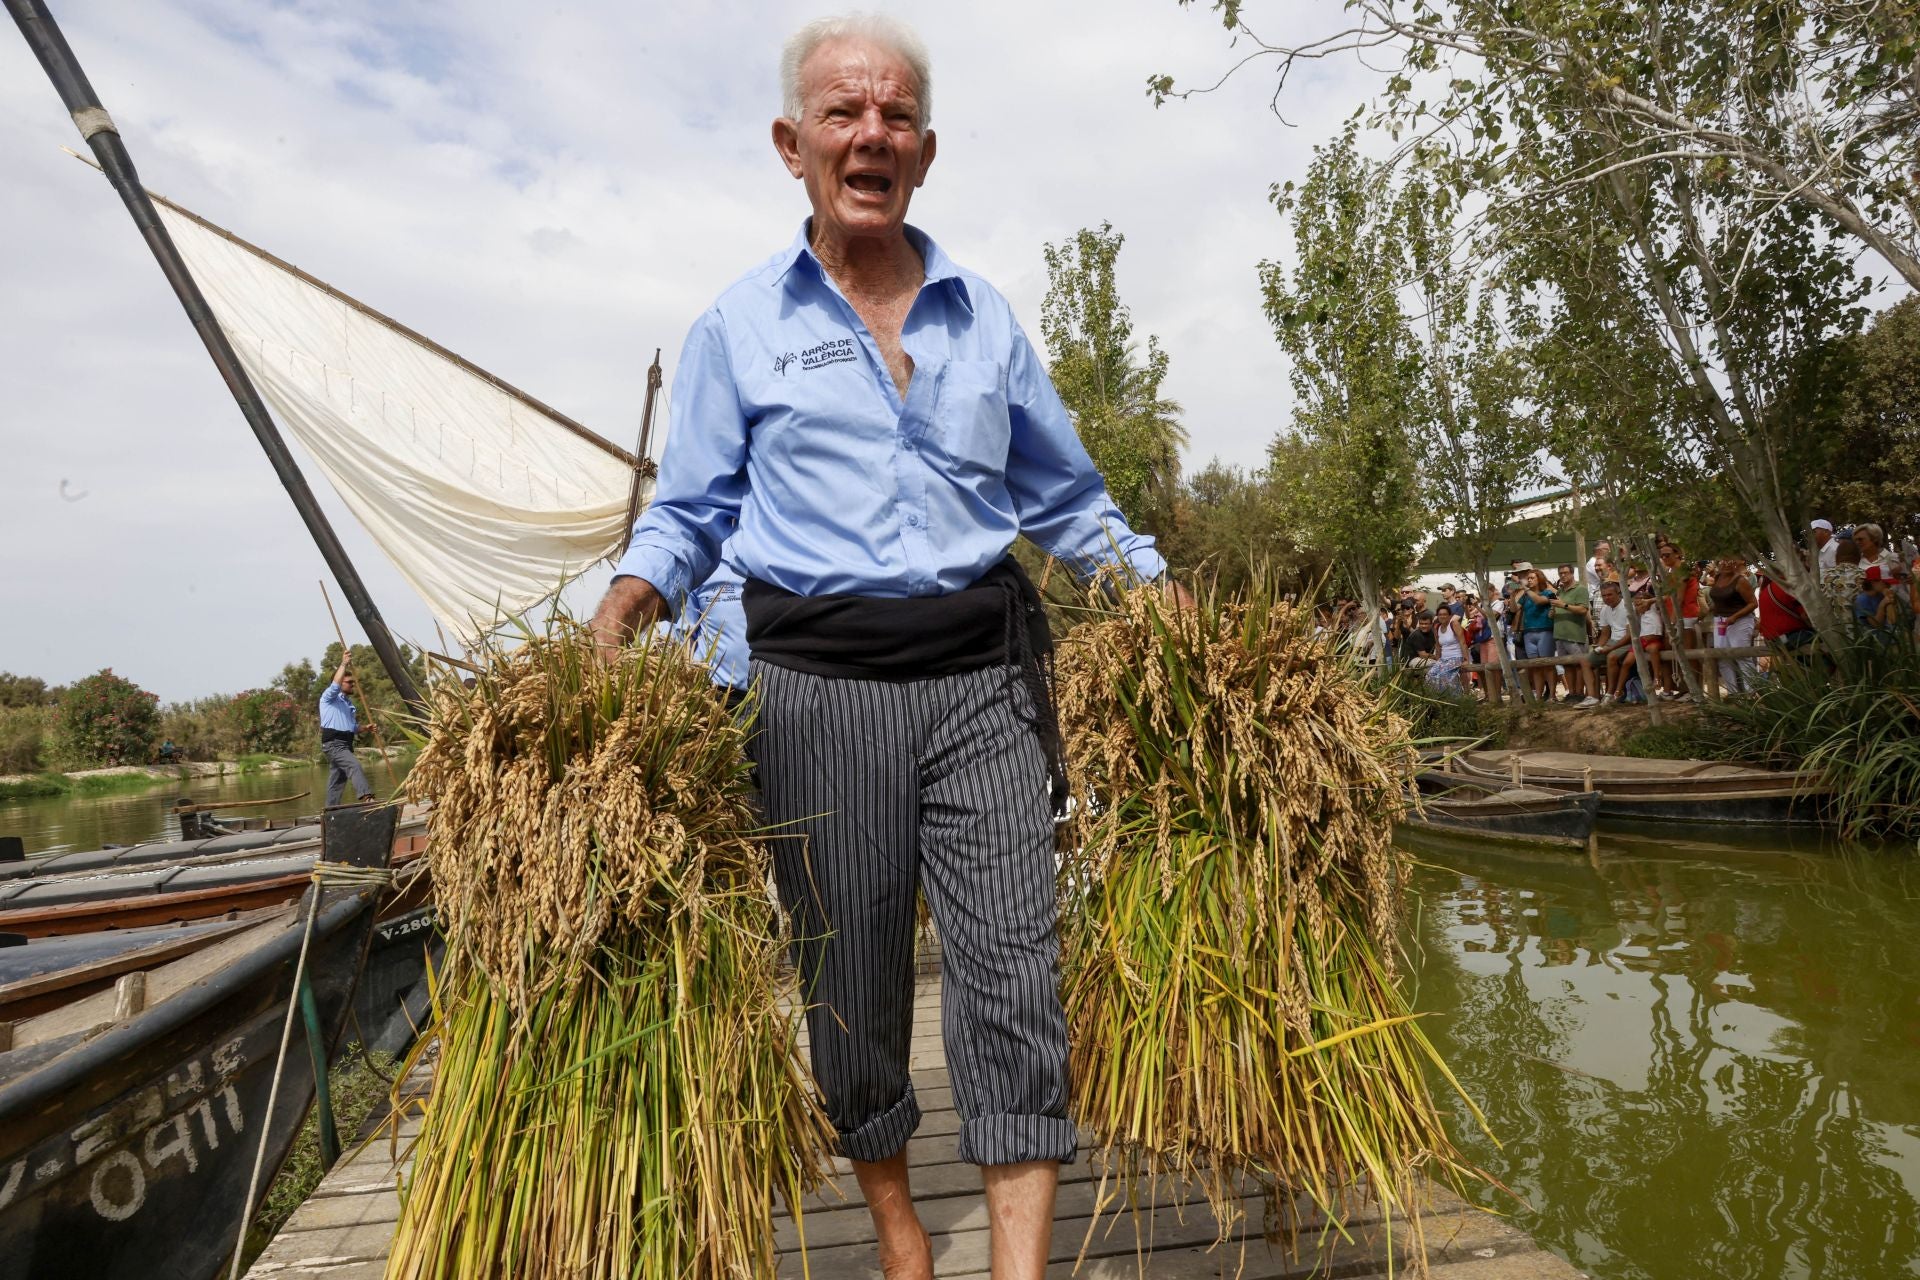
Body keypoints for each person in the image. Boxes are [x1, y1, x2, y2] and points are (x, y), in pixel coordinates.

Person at [584, 18, 1184, 1273]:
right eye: (844, 116)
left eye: (896, 116)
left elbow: (1067, 498)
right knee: (850, 992)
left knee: (1016, 974)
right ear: (791, 145)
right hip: (815, 695)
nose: (872, 136)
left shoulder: (984, 319)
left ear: (926, 150)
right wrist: (623, 609)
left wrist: (1157, 594)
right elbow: (691, 512)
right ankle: (905, 1241)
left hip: (982, 681)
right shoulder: (738, 328)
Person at [318, 659, 372, 807]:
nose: (352, 684)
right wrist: (343, 663)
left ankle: (330, 810)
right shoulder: (328, 698)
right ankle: (367, 798)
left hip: (345, 744)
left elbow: (352, 727)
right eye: (349, 682)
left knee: (338, 779)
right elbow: (335, 684)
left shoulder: (347, 704)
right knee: (354, 765)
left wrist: (365, 728)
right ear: (340, 683)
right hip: (334, 743)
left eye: (353, 682)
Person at [1704, 556, 1759, 693]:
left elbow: (1753, 603)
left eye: (1730, 561)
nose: (1726, 563)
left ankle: (1750, 692)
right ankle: (1733, 692)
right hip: (1720, 621)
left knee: (1741, 655)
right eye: (1723, 560)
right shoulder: (1717, 578)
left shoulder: (1740, 581)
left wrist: (1735, 616)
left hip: (1740, 620)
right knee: (1722, 657)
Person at [1604, 587, 1666, 702]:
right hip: (1642, 640)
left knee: (1653, 650)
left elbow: (1665, 598)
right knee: (1627, 662)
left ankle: (1657, 678)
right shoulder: (1637, 612)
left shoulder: (1653, 607)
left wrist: (1650, 601)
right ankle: (1618, 690)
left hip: (1654, 638)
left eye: (1640, 601)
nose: (1638, 604)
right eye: (1636, 602)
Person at [1549, 563, 1593, 705]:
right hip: (1559, 634)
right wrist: (1553, 613)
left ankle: (1580, 693)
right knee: (1567, 665)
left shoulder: (1580, 589)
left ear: (1572, 573)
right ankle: (1572, 693)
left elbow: (1583, 610)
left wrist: (1564, 605)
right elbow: (1557, 609)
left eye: (1565, 572)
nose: (1562, 575)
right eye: (1560, 573)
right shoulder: (1559, 591)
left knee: (1579, 664)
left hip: (1575, 634)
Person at [1517, 567, 1559, 700]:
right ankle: (1539, 697)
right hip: (1528, 633)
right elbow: (1514, 609)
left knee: (1547, 664)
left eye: (1532, 578)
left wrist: (1526, 589)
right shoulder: (1525, 595)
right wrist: (1513, 594)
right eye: (1528, 578)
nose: (1529, 580)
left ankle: (1552, 695)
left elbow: (1539, 601)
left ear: (1539, 579)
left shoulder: (1547, 593)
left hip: (1545, 631)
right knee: (1535, 666)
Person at [1755, 568, 1816, 651]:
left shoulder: (1765, 591)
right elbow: (1805, 616)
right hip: (1790, 638)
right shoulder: (1788, 588)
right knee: (1826, 638)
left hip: (1771, 642)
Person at [1822, 533, 1865, 630]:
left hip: (1833, 634)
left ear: (1837, 557)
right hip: (1862, 635)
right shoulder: (1865, 576)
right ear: (1858, 557)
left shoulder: (1823, 576)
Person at [1429, 602, 1467, 689]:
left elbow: (1463, 642)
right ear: (1437, 616)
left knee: (1443, 675)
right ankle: (1438, 698)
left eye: (1445, 614)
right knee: (1430, 675)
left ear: (1450, 616)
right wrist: (1438, 660)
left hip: (1456, 657)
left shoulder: (1454, 624)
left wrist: (1466, 660)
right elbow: (1438, 646)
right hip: (1444, 659)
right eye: (1440, 614)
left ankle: (1455, 698)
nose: (1442, 616)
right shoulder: (1436, 627)